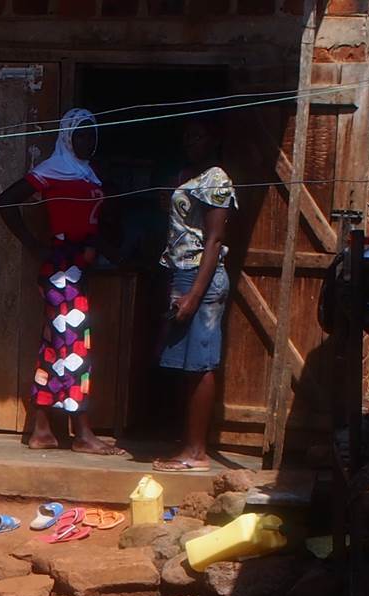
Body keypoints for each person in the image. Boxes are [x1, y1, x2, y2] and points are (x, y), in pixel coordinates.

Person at [0, 108, 126, 457]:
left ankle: (41, 430)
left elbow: (93, 227)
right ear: (67, 137)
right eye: (81, 134)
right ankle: (82, 433)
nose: (88, 140)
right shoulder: (52, 171)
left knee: (56, 348)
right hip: (62, 271)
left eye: (92, 133)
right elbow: (6, 201)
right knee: (75, 348)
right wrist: (33, 243)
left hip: (79, 270)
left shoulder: (88, 174)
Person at [154, 118, 235, 473]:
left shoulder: (216, 178)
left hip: (202, 277)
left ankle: (196, 452)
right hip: (182, 273)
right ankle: (187, 444)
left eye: (198, 134)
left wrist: (194, 296)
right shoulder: (187, 175)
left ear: (215, 138)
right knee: (186, 366)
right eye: (187, 135)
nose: (190, 140)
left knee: (200, 364)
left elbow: (214, 242)